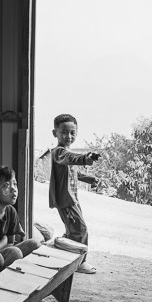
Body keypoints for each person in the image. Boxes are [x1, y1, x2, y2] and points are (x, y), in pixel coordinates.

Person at [48, 114, 101, 274]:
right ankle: (79, 263)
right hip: (66, 200)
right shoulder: (59, 152)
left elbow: (72, 172)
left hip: (72, 199)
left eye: (72, 133)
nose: (68, 136)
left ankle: (62, 255)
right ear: (55, 133)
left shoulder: (66, 154)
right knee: (80, 230)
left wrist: (90, 179)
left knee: (72, 230)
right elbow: (71, 158)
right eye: (64, 132)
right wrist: (85, 158)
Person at [0, 165, 40, 265]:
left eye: (14, 184)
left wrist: (6, 243)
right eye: (6, 185)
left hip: (2, 253)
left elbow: (11, 242)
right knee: (15, 252)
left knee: (34, 244)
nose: (13, 189)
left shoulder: (10, 210)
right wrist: (4, 241)